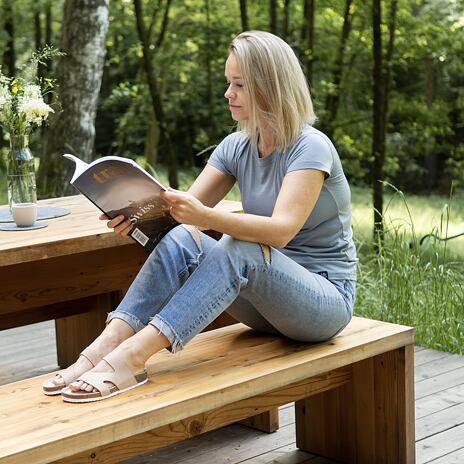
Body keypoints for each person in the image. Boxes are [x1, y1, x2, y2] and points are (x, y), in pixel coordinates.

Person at [42, 30, 357, 402]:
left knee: (242, 246)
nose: (228, 93)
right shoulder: (236, 146)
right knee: (180, 238)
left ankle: (131, 358)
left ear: (270, 86)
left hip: (321, 304)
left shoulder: (311, 147)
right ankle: (102, 348)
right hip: (260, 306)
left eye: (239, 84)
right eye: (229, 83)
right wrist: (138, 218)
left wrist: (205, 216)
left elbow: (281, 232)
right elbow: (182, 219)